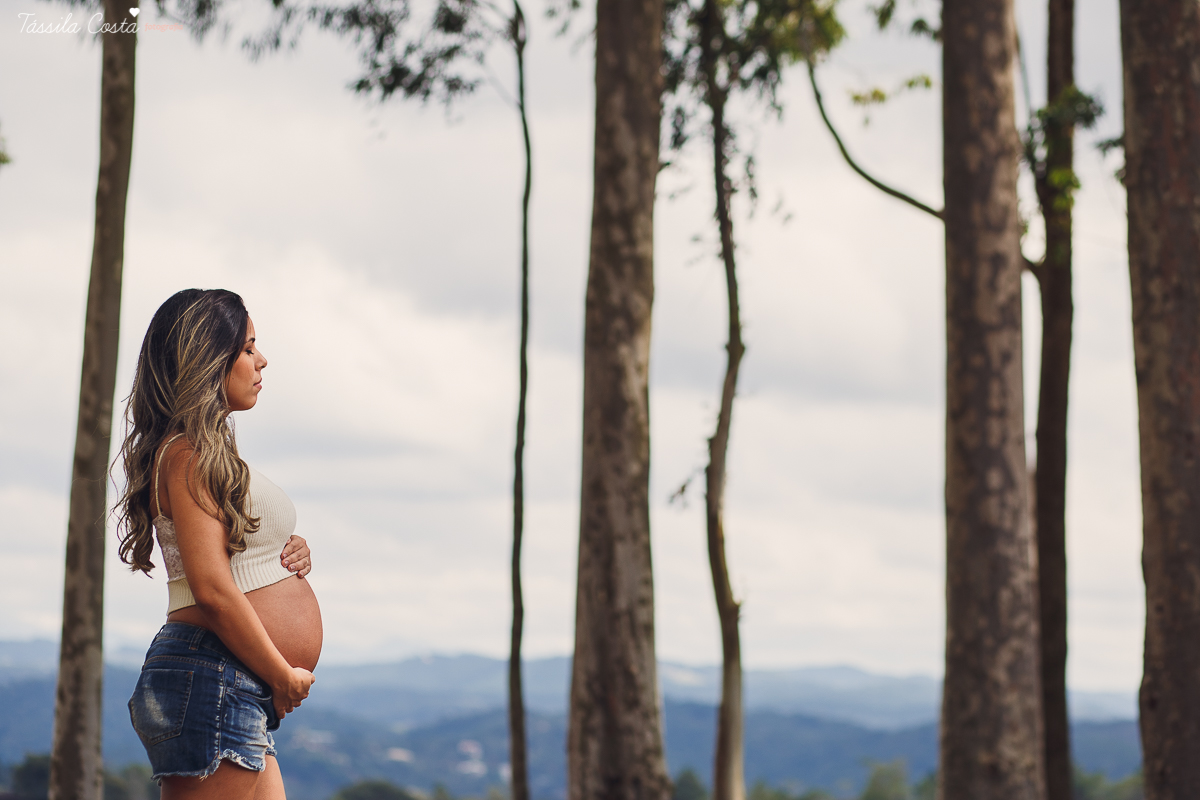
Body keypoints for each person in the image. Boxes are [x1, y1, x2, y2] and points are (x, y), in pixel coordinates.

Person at [117, 289, 322, 800]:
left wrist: (285, 550)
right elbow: (210, 586)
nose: (262, 359)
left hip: (230, 680)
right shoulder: (187, 452)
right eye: (249, 347)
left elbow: (229, 558)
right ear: (210, 358)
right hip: (214, 675)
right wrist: (282, 675)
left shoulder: (205, 452)